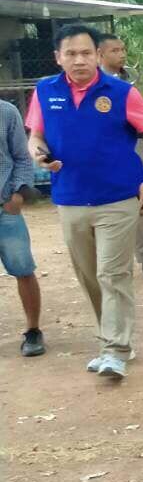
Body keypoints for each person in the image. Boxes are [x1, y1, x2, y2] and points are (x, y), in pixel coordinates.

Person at [26, 23, 143, 380]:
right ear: (58, 57)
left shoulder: (119, 92)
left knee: (112, 273)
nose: (79, 60)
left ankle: (114, 350)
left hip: (118, 199)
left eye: (86, 53)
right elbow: (36, 135)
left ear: (97, 56)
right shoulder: (45, 92)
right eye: (71, 53)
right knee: (88, 276)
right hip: (70, 199)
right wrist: (38, 153)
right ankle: (114, 340)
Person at [97, 34, 143, 277]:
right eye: (115, 51)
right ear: (100, 54)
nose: (121, 54)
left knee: (139, 197)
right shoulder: (91, 84)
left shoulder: (127, 81)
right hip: (101, 150)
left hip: (133, 143)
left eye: (123, 49)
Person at [2, 97, 44, 356]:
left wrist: (18, 194)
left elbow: (21, 156)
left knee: (23, 269)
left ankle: (33, 331)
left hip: (5, 207)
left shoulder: (6, 113)